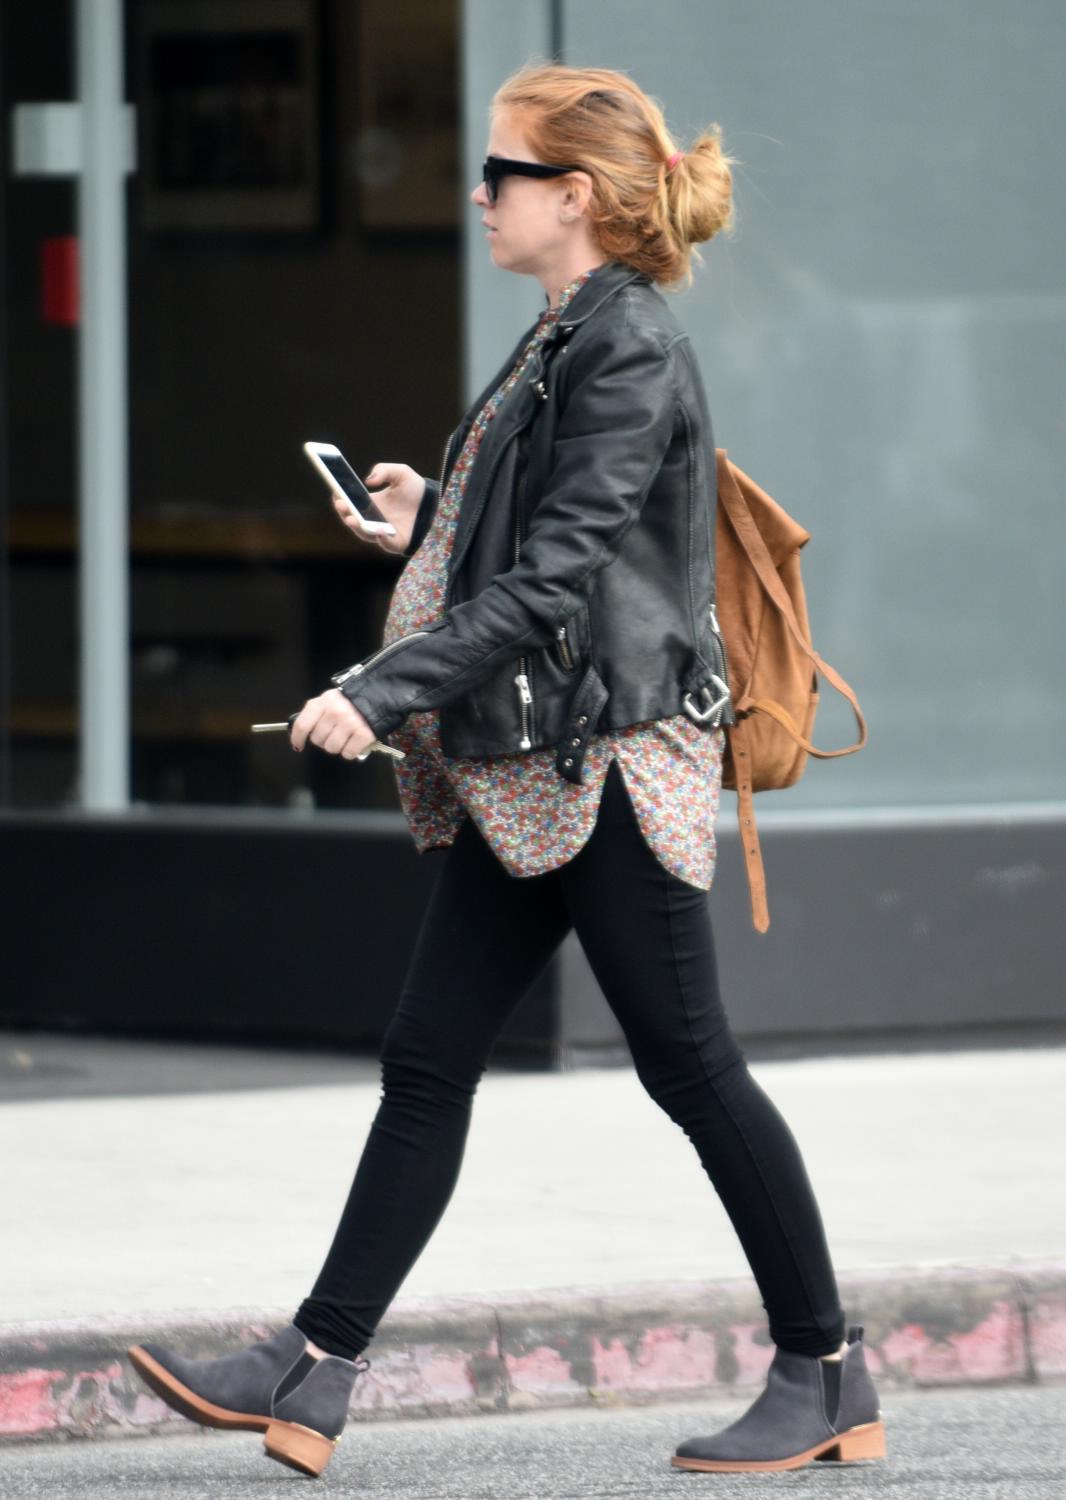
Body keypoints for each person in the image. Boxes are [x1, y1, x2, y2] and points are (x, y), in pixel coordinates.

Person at [128, 62, 884, 1479]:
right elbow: (539, 538)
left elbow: (558, 581)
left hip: (605, 764)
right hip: (533, 766)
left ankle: (827, 1371)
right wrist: (432, 515)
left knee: (691, 1064)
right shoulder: (565, 330)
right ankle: (314, 1366)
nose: (476, 195)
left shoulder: (627, 345)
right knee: (428, 1061)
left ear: (573, 195)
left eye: (499, 172)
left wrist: (376, 688)